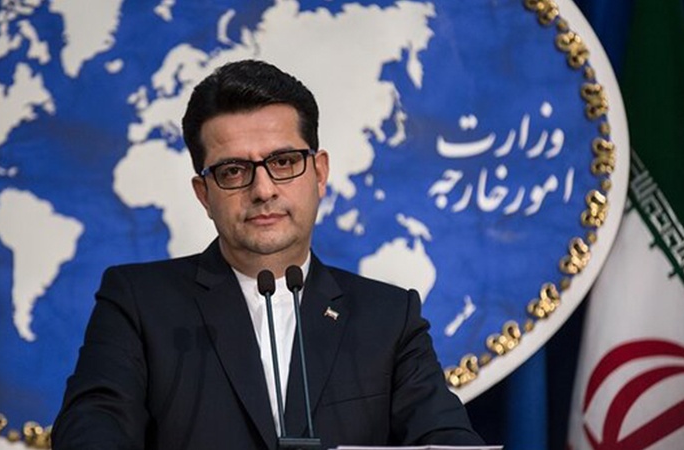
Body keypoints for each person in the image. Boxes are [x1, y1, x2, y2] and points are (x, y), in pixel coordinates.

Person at [53, 59, 484, 450]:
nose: (263, 190)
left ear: (319, 173)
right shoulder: (138, 302)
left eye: (283, 162)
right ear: (204, 194)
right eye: (233, 170)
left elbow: (447, 441)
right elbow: (93, 429)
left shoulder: (389, 317)